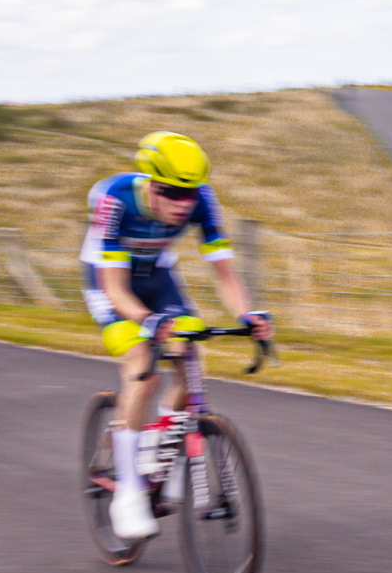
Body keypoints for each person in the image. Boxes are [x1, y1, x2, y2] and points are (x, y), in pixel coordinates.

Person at [80, 131, 269, 542]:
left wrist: (246, 314)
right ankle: (127, 493)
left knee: (191, 364)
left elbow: (225, 274)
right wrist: (147, 323)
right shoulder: (117, 199)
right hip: (111, 282)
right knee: (142, 370)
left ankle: (155, 442)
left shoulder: (203, 200)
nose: (183, 205)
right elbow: (115, 289)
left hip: (158, 276)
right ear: (149, 183)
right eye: (171, 193)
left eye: (190, 194)